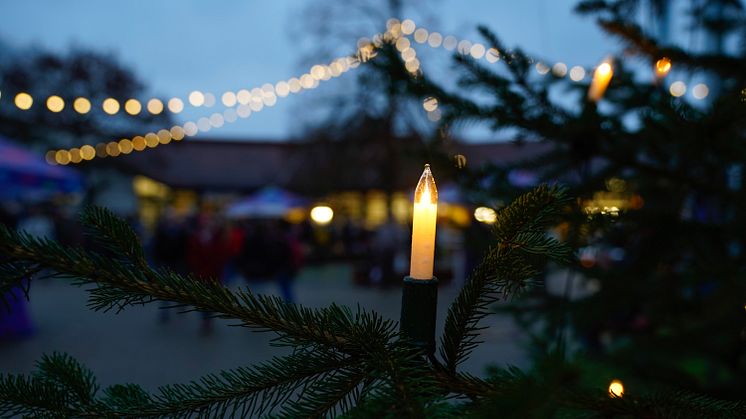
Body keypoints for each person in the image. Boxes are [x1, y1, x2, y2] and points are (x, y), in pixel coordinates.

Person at [186, 212, 228, 334]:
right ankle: (204, 319)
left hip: (214, 274)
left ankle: (208, 319)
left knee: (212, 299)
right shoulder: (195, 237)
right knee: (201, 299)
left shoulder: (219, 237)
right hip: (200, 274)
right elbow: (191, 255)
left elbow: (222, 256)